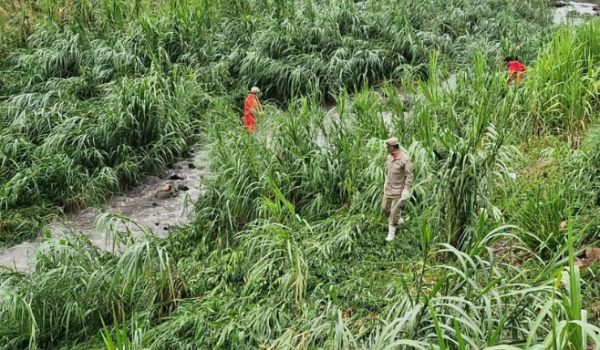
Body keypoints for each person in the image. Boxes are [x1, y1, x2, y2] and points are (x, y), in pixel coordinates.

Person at [382, 137, 413, 242]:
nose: (386, 148)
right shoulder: (389, 157)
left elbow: (409, 176)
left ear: (391, 147)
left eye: (387, 147)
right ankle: (397, 219)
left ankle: (391, 233)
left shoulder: (406, 159)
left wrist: (406, 189)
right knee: (385, 209)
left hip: (398, 190)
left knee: (394, 212)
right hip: (388, 189)